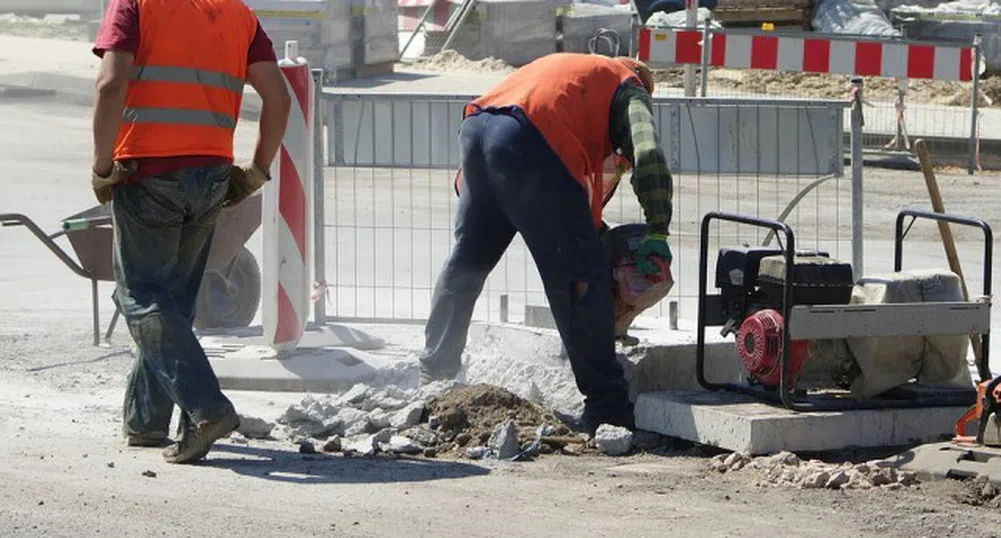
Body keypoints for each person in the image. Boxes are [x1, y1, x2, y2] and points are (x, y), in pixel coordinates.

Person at [418, 52, 674, 434]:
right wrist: (657, 229)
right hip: (533, 137)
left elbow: (570, 204)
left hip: (479, 131)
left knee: (467, 263)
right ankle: (608, 407)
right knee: (579, 279)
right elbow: (648, 155)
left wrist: (591, 235)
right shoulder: (629, 87)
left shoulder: (573, 76)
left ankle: (434, 378)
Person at [91, 0, 291, 464]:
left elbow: (110, 85)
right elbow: (277, 97)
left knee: (139, 296)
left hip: (148, 173)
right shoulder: (238, 14)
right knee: (173, 303)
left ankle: (207, 410)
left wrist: (103, 167)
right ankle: (146, 423)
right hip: (212, 173)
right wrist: (257, 171)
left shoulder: (135, 4)